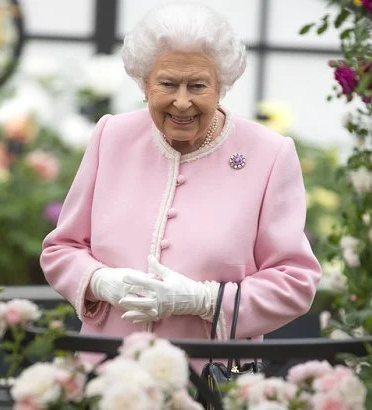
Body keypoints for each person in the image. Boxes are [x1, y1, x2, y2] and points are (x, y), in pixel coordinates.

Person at [40, 2, 321, 365]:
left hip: (208, 379)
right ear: (144, 84)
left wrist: (205, 301)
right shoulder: (112, 136)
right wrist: (98, 281)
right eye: (168, 83)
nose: (182, 101)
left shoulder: (269, 154)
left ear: (221, 86)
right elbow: (61, 249)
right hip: (109, 377)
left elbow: (295, 281)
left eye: (198, 85)